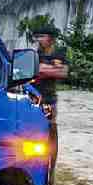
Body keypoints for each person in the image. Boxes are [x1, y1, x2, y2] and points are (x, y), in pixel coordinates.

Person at [32, 24, 68, 168]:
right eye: (38, 37)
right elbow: (33, 69)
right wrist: (50, 68)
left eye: (42, 36)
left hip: (48, 100)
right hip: (34, 97)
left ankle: (49, 164)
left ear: (51, 39)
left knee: (49, 129)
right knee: (33, 129)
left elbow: (62, 72)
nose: (39, 40)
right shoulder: (36, 53)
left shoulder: (59, 53)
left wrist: (42, 69)